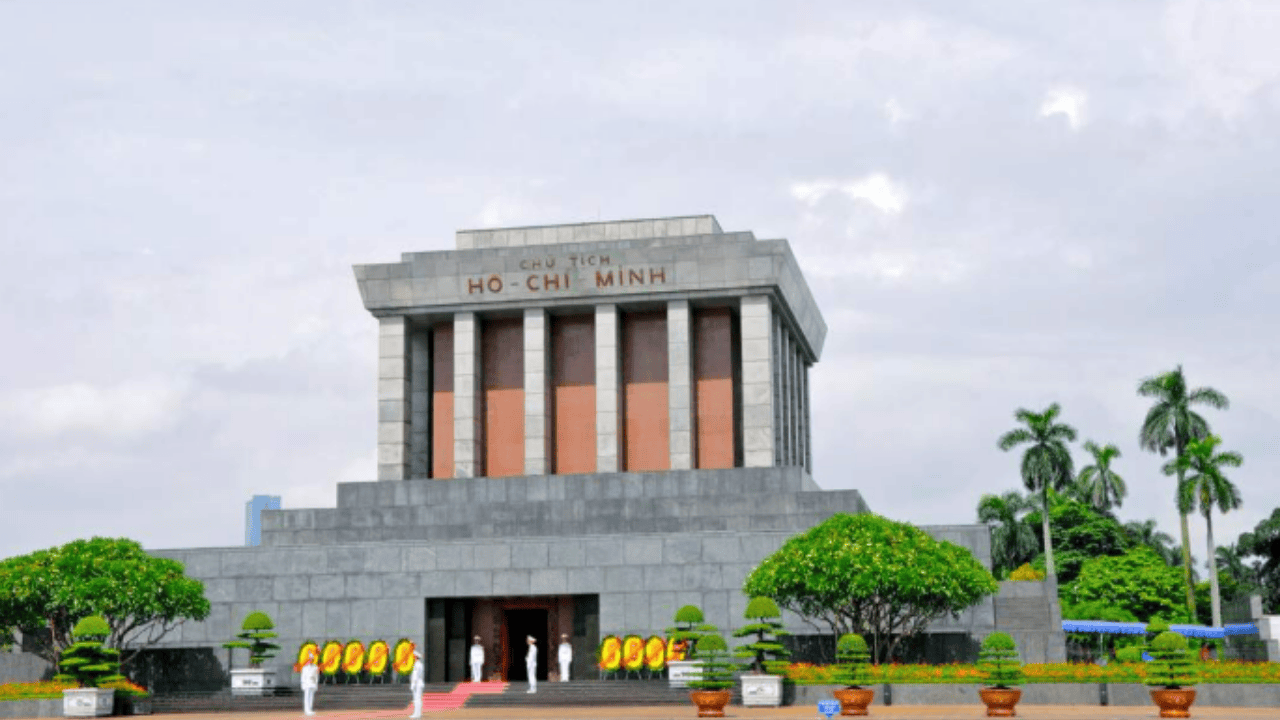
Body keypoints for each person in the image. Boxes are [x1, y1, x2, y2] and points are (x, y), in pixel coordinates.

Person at [298, 648, 319, 717]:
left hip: (312, 683)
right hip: (306, 683)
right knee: (306, 697)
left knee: (311, 697)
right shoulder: (304, 668)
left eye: (311, 659)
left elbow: (316, 676)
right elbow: (303, 677)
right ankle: (306, 710)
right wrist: (302, 684)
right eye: (309, 659)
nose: (310, 660)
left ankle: (310, 709)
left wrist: (316, 684)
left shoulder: (315, 667)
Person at [408, 648, 424, 718]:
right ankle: (418, 713)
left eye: (414, 656)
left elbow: (415, 676)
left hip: (417, 683)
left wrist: (413, 684)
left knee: (416, 699)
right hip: (418, 683)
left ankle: (416, 713)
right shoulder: (419, 664)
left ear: (416, 657)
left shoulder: (417, 665)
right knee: (418, 699)